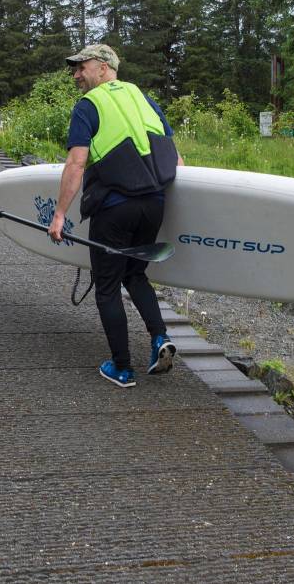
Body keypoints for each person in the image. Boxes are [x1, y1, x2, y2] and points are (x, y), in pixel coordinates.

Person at [47, 44, 184, 388]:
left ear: (105, 67)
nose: (76, 74)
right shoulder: (144, 98)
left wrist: (60, 214)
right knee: (135, 275)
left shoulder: (88, 106)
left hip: (114, 208)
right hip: (153, 204)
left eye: (82, 66)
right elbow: (174, 156)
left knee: (106, 286)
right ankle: (158, 338)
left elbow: (77, 163)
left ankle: (122, 368)